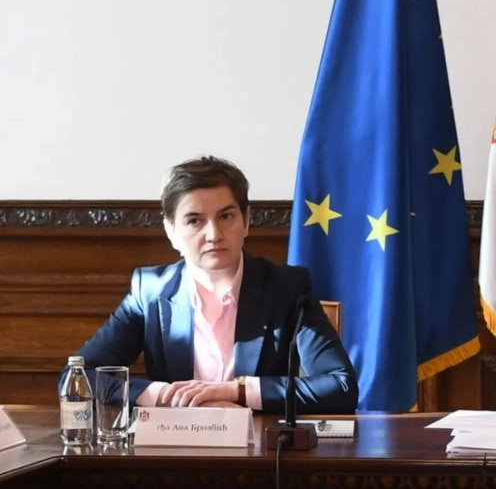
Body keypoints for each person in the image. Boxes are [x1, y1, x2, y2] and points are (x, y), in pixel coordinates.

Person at [64, 156, 358, 414]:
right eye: (195, 221)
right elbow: (77, 377)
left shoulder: (286, 287)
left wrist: (236, 391)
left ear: (246, 220)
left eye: (226, 216)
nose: (214, 234)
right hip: (176, 448)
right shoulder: (150, 291)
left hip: (260, 451)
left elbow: (340, 386)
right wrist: (171, 396)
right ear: (171, 231)